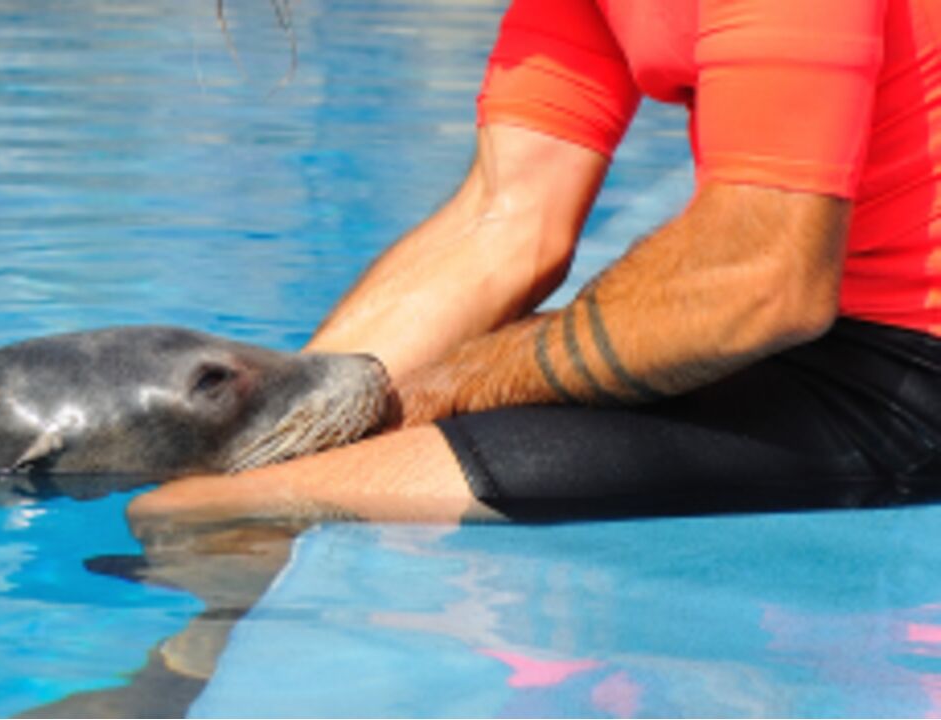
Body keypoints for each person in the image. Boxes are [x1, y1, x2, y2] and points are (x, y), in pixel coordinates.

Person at [130, 0, 941, 527]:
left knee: (214, 515)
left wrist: (454, 384)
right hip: (800, 350)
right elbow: (505, 219)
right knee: (215, 493)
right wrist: (296, 421)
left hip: (907, 373)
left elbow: (761, 277)